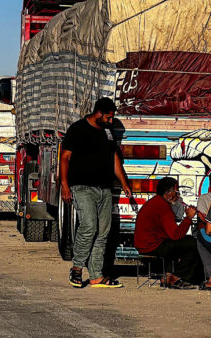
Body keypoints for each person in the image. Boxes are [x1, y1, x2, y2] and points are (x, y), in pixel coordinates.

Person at [61, 97, 133, 289]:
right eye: (109, 118)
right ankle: (76, 269)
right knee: (89, 227)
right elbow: (65, 158)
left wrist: (124, 184)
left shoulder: (107, 133)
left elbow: (114, 159)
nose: (111, 121)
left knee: (103, 232)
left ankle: (96, 276)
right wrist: (65, 185)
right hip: (82, 188)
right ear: (98, 113)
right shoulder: (77, 130)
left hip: (105, 189)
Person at [134, 177, 200, 288]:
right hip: (152, 246)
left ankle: (167, 275)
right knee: (194, 243)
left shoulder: (156, 202)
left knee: (180, 245)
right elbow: (175, 235)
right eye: (176, 192)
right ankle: (177, 277)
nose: (178, 196)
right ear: (168, 193)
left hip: (146, 244)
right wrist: (188, 218)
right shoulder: (163, 206)